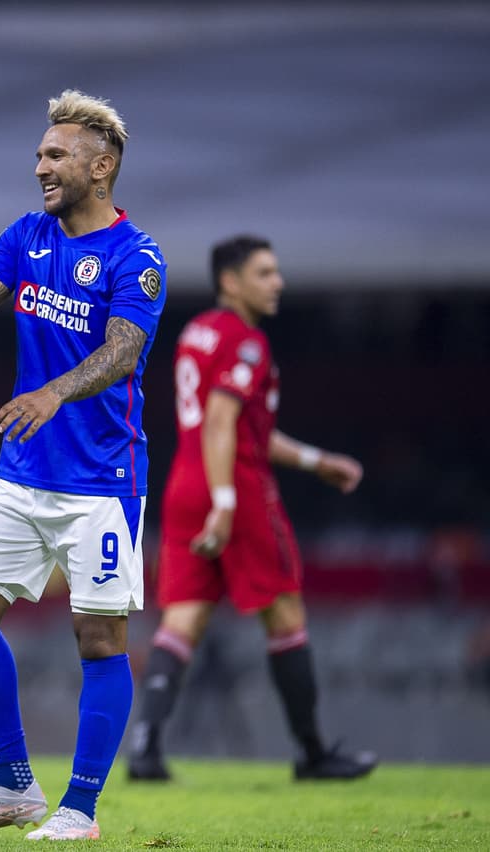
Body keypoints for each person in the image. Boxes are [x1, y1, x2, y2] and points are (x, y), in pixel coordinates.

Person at [0, 89, 166, 842]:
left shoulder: (137, 256)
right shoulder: (27, 235)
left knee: (99, 640)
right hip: (22, 471)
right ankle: (12, 786)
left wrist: (53, 391)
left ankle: (81, 808)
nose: (40, 167)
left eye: (56, 155)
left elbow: (123, 352)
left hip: (101, 479)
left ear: (101, 167)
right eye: (39, 154)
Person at [127, 235, 377, 782]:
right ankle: (313, 753)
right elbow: (223, 422)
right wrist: (225, 502)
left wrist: (315, 460)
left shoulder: (197, 332)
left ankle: (145, 749)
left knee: (183, 618)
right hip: (234, 487)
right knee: (285, 615)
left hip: (186, 481)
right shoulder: (246, 342)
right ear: (230, 281)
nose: (277, 283)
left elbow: (239, 427)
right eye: (264, 273)